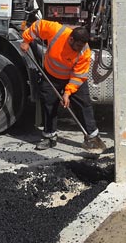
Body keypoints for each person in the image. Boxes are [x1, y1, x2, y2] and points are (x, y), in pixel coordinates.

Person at [20, 20, 106, 151]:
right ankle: (49, 136)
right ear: (71, 39)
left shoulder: (84, 51)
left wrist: (67, 93)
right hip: (51, 74)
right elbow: (37, 26)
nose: (79, 49)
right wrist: (26, 40)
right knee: (49, 104)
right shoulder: (56, 31)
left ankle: (93, 137)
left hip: (72, 78)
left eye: (82, 46)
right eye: (77, 45)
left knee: (84, 104)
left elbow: (78, 76)